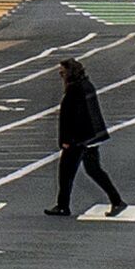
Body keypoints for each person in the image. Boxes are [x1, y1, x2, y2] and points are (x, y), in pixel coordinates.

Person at [48, 56, 124, 217]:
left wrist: (67, 140)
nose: (60, 75)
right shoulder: (86, 85)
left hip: (78, 139)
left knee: (66, 173)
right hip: (91, 136)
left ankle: (63, 206)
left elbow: (71, 117)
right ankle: (116, 200)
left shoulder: (74, 90)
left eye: (62, 73)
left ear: (69, 73)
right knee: (94, 170)